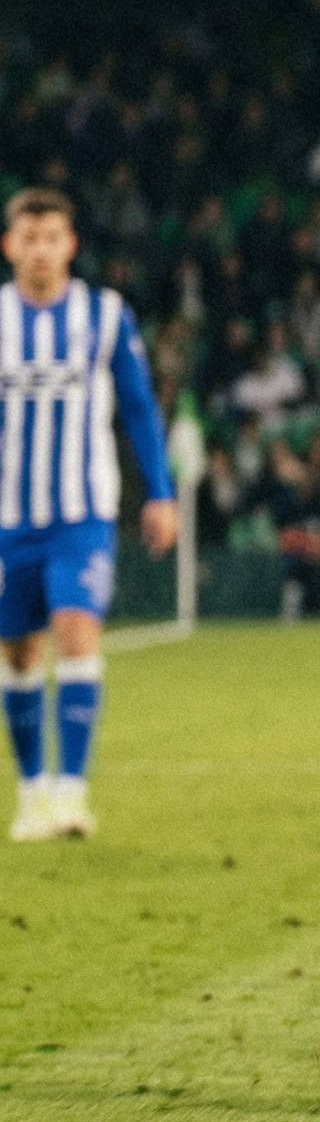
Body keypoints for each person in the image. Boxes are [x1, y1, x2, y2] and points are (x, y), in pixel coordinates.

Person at [0, 188, 178, 841]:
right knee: (18, 656)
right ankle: (32, 793)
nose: (41, 249)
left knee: (76, 629)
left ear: (70, 245)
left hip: (82, 515)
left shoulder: (104, 316)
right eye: (29, 237)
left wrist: (159, 492)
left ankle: (72, 795)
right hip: (8, 520)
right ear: (10, 245)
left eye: (52, 237)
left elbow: (137, 408)